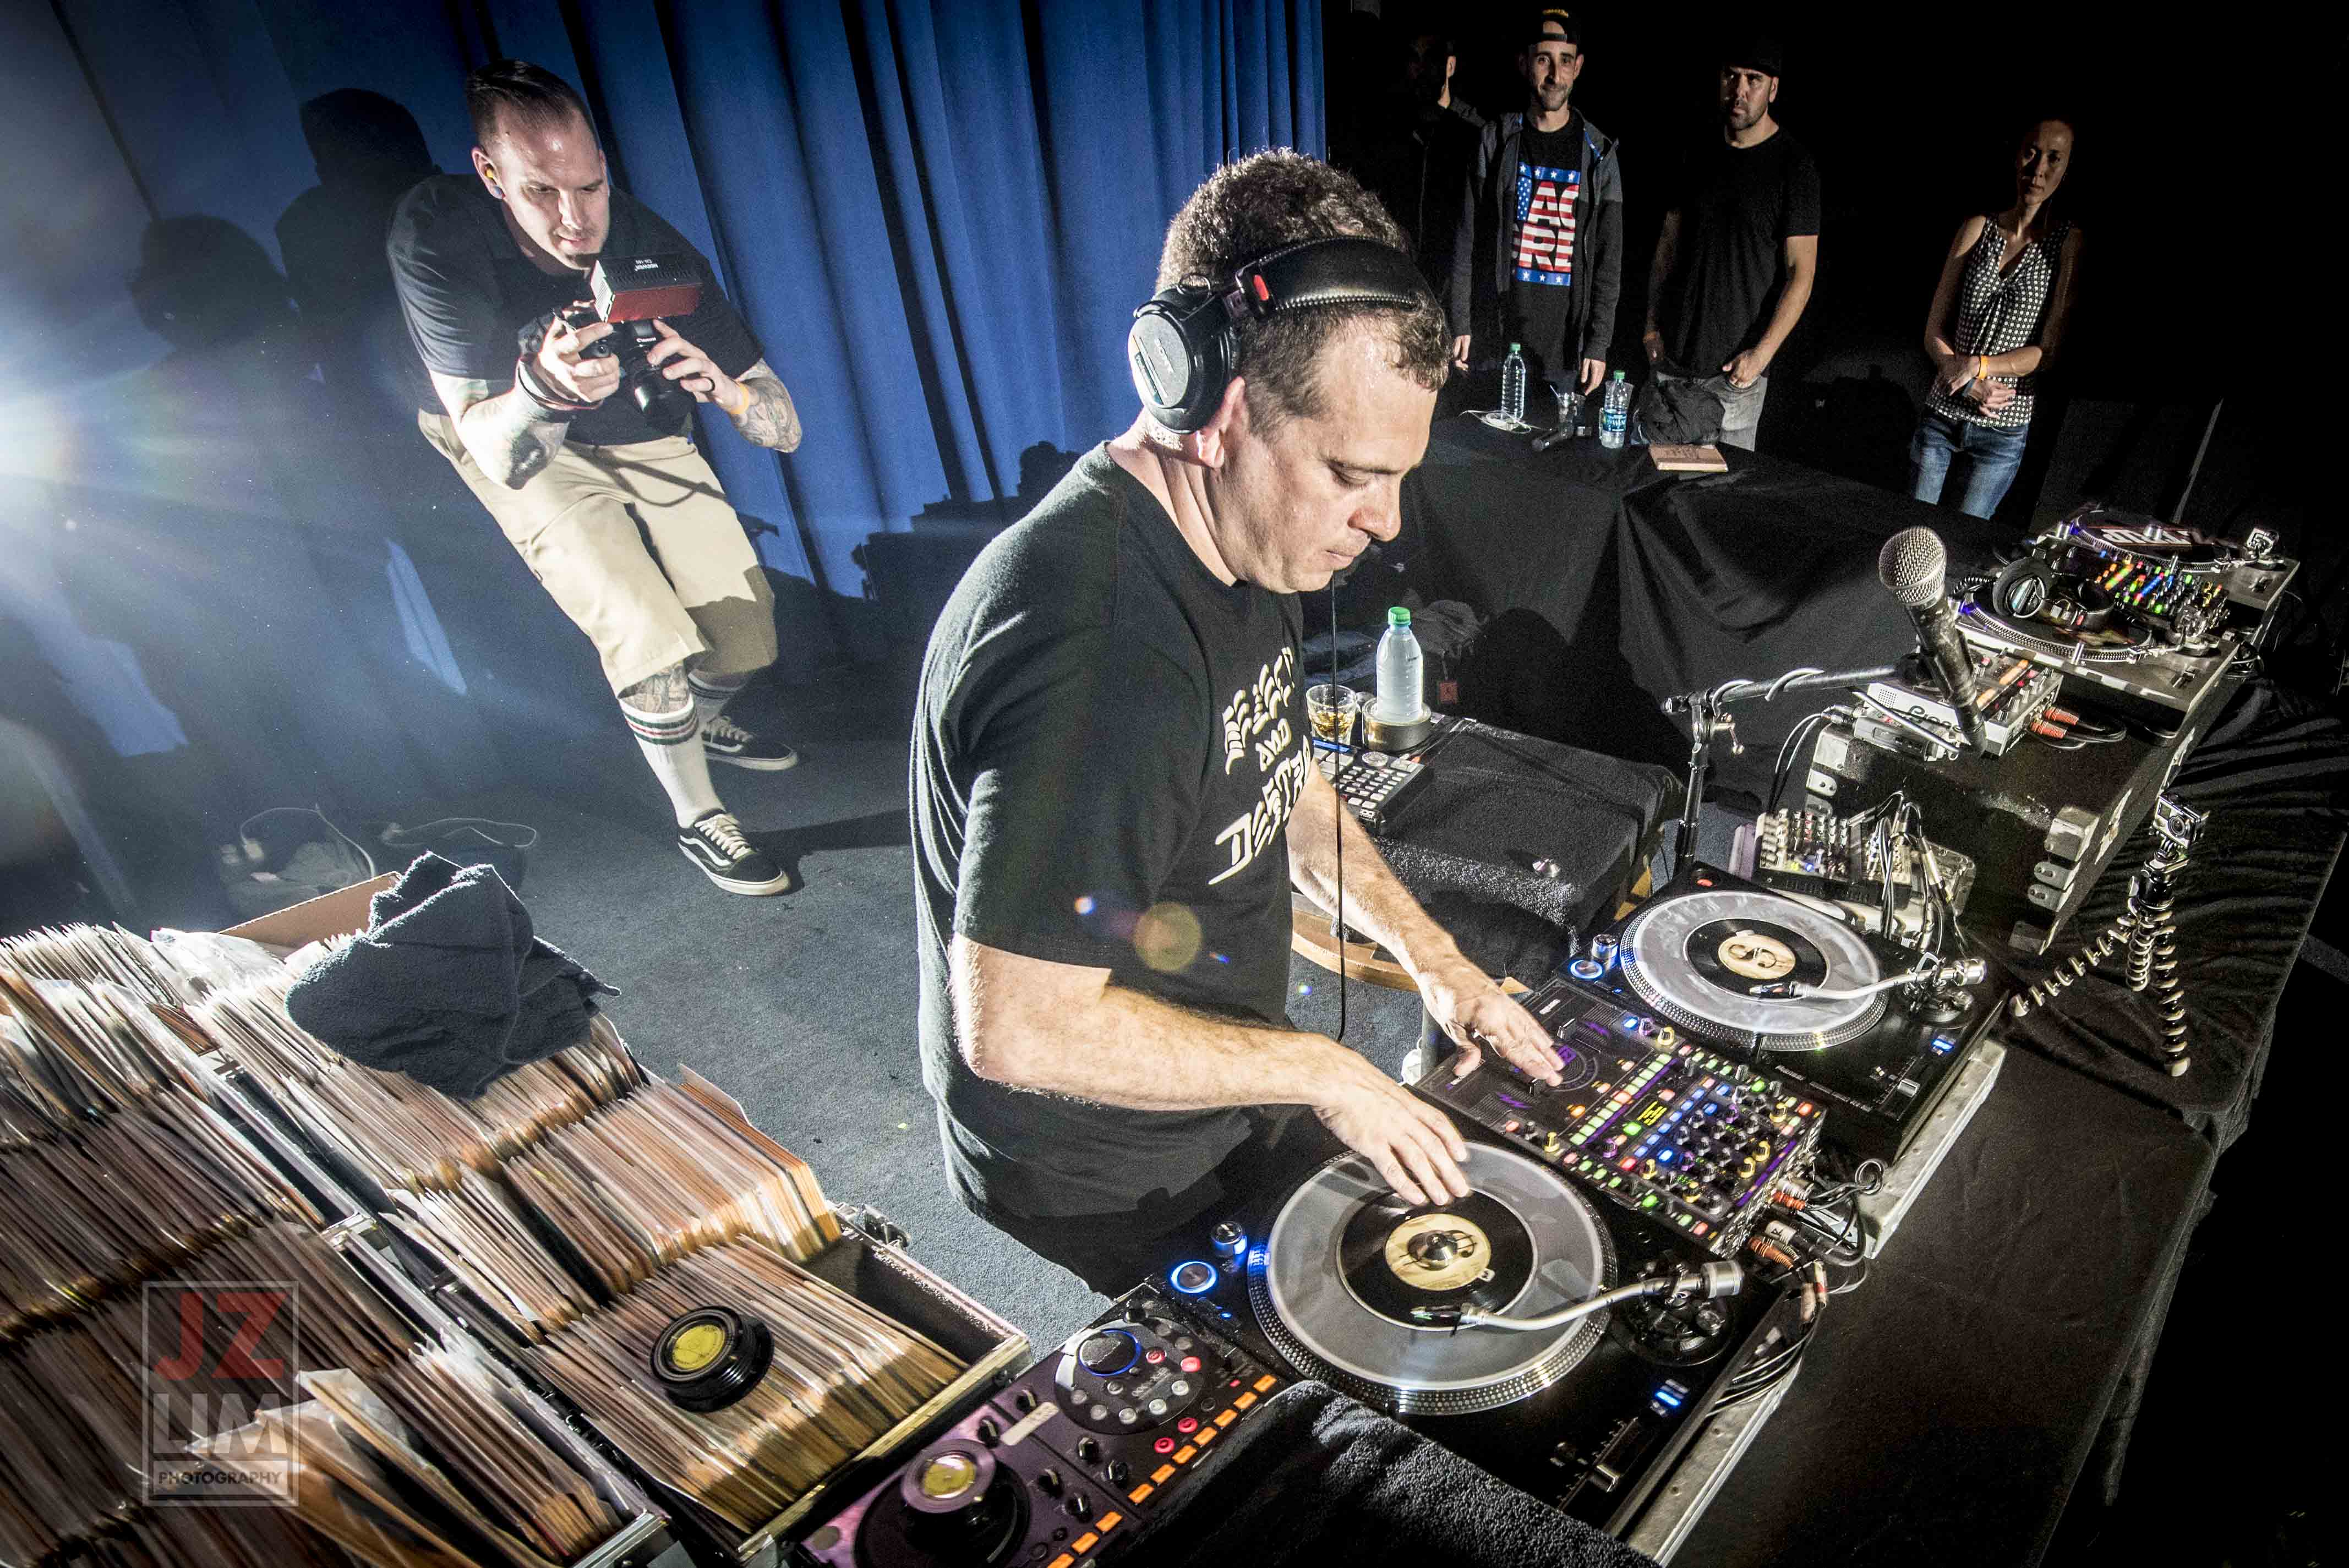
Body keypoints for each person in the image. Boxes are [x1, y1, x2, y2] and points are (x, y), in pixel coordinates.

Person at [912, 150, 1563, 1295]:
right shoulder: (1107, 657)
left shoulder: (1237, 536)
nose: (1384, 520)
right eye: (1351, 472)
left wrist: (1437, 959)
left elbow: (1283, 782)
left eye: (1398, 476)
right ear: (1213, 404)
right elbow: (1018, 1026)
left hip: (1221, 1088)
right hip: (1106, 1164)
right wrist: (1324, 1068)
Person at [388, 61, 803, 895]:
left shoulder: (649, 242)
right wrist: (544, 389)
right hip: (512, 428)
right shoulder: (437, 233)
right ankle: (698, 814)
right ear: (490, 174)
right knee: (644, 629)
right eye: (541, 193)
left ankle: (692, 723)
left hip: (636, 429)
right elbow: (495, 451)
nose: (575, 220)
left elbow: (783, 425)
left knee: (745, 637)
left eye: (591, 187)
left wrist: (723, 390)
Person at [1643, 34, 1820, 450]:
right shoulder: (1697, 149)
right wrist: (1650, 327)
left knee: (1724, 489)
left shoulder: (1794, 168)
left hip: (1735, 376)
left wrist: (1761, 356)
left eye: (1754, 79)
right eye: (1731, 76)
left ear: (1773, 89)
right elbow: (1668, 244)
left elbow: (1802, 273)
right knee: (1652, 482)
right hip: (1672, 364)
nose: (1740, 90)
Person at [1910, 118, 2084, 520]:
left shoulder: (2066, 243)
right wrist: (1966, 379)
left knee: (1965, 539)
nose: (2038, 170)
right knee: (1914, 532)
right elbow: (1934, 328)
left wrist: (1980, 366)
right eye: (2031, 153)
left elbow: (2048, 352)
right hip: (1944, 411)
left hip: (2003, 429)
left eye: (2053, 159)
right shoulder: (1979, 227)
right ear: (2017, 155)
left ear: (2067, 168)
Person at [1447, 7, 1623, 403]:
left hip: (1564, 354)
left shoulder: (1599, 155)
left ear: (1578, 67)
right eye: (1544, 60)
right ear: (1524, 63)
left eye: (1565, 61)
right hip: (1498, 343)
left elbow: (1608, 262)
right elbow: (1466, 239)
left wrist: (1598, 344)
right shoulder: (1496, 141)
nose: (1555, 75)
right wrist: (1461, 321)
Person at [1353, 23, 1484, 308]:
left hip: (1454, 293)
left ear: (1450, 66)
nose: (1422, 69)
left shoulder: (1474, 135)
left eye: (1432, 59)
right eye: (1415, 59)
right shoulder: (1391, 131)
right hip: (1401, 284)